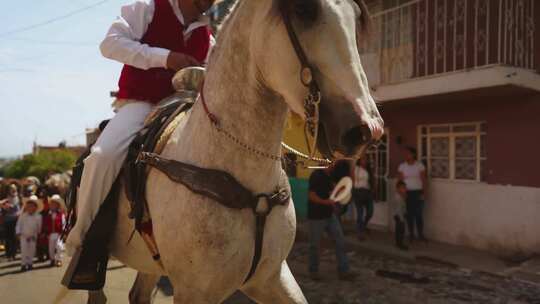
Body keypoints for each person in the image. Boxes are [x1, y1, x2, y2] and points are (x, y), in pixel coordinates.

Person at [66, 0, 217, 253]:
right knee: (104, 156)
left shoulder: (208, 38)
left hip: (186, 110)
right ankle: (81, 239)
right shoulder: (147, 8)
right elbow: (110, 44)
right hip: (141, 104)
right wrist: (165, 58)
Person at [307, 162, 355, 281]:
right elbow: (311, 195)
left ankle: (343, 271)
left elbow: (332, 194)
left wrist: (336, 201)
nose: (333, 166)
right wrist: (325, 202)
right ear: (324, 163)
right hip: (316, 216)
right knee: (315, 245)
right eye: (331, 163)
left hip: (329, 215)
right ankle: (313, 271)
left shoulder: (329, 176)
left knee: (340, 241)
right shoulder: (316, 175)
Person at [397, 147, 428, 242]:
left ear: (413, 154)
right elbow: (400, 181)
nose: (406, 155)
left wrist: (424, 193)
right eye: (406, 154)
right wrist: (401, 193)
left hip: (418, 192)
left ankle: (420, 235)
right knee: (409, 215)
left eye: (408, 153)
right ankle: (411, 235)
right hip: (407, 193)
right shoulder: (402, 166)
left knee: (419, 215)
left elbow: (424, 180)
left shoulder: (420, 166)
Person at [350, 156, 375, 240]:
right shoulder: (356, 169)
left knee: (370, 211)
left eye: (366, 159)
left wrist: (373, 191)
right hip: (358, 192)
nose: (364, 161)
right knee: (360, 213)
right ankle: (359, 232)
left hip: (367, 192)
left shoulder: (369, 170)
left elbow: (372, 181)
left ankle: (364, 225)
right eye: (363, 159)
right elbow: (352, 180)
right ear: (359, 161)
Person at [16, 195, 42, 271]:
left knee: (31, 250)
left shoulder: (38, 216)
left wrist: (37, 234)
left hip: (32, 236)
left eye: (32, 206)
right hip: (23, 236)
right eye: (28, 206)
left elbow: (39, 227)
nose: (30, 208)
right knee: (24, 250)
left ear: (35, 207)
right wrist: (18, 232)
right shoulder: (23, 216)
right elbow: (18, 224)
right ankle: (23, 264)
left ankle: (30, 263)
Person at [43, 195, 66, 267]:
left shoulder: (61, 214)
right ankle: (52, 259)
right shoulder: (48, 215)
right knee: (51, 248)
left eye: (54, 204)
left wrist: (64, 232)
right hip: (50, 234)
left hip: (58, 233)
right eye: (51, 204)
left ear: (58, 205)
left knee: (59, 246)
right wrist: (45, 232)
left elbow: (64, 223)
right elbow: (45, 224)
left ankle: (59, 259)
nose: (52, 206)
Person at [1, 184, 21, 261]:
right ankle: (8, 254)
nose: (13, 190)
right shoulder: (6, 198)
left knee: (14, 237)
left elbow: (19, 208)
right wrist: (4, 206)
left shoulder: (19, 197)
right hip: (7, 220)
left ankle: (13, 254)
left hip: (16, 219)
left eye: (14, 188)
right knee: (8, 237)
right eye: (11, 188)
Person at [393, 181, 408, 250]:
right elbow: (399, 209)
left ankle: (398, 243)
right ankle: (400, 244)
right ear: (398, 189)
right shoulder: (398, 197)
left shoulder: (401, 196)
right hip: (399, 216)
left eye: (405, 188)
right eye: (403, 188)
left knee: (398, 230)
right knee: (401, 230)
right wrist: (401, 218)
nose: (404, 189)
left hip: (399, 215)